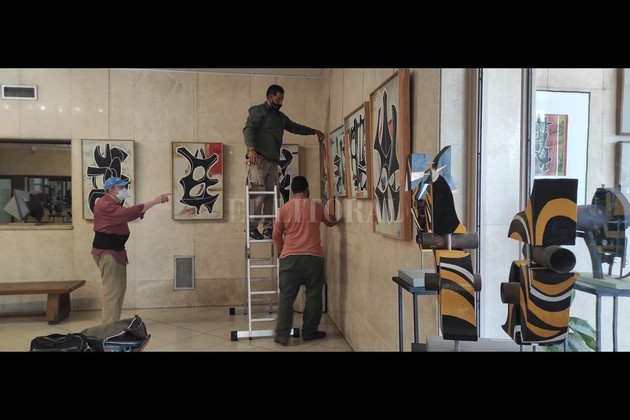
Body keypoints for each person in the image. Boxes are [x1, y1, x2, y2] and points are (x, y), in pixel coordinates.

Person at [243, 84, 326, 240]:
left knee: (272, 195)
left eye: (282, 99)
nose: (281, 102)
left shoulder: (280, 118)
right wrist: (252, 149)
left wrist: (314, 131)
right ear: (270, 97)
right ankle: (251, 228)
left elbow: (295, 127)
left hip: (273, 161)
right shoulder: (259, 111)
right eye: (278, 99)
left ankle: (268, 227)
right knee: (257, 193)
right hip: (258, 159)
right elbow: (248, 129)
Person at [91, 177, 171, 324]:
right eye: (121, 187)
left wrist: (149, 205)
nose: (124, 190)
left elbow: (129, 213)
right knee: (112, 292)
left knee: (118, 290)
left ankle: (112, 324)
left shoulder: (112, 204)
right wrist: (155, 201)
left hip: (116, 251)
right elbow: (128, 213)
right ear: (111, 189)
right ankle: (108, 328)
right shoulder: (104, 204)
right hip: (108, 252)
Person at [272, 175, 340, 345]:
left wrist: (281, 252)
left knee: (286, 297)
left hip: (289, 258)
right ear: (307, 189)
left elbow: (276, 234)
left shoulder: (284, 209)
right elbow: (331, 221)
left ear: (293, 190)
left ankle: (282, 335)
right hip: (313, 258)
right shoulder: (316, 207)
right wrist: (337, 211)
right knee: (314, 296)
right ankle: (310, 332)